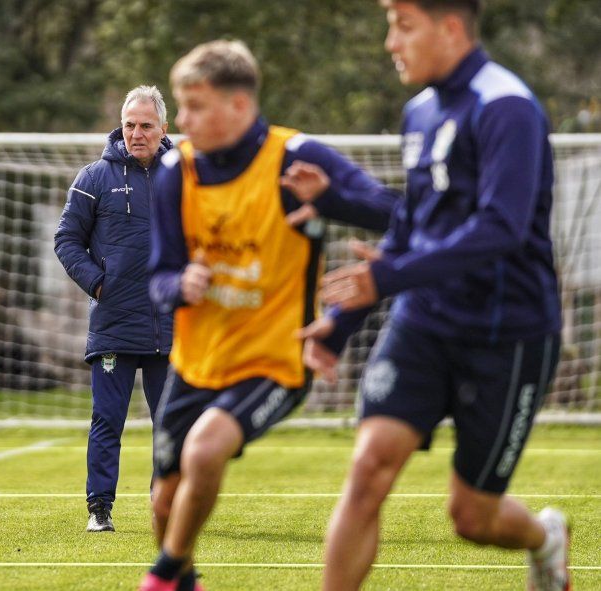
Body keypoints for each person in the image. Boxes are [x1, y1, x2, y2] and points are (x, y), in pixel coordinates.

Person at [294, 2, 569, 590]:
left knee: (471, 517)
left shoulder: (507, 107)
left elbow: (502, 228)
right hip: (423, 325)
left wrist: (388, 279)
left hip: (508, 334)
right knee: (367, 469)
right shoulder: (418, 111)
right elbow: (407, 229)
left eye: (404, 25)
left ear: (450, 28)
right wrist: (341, 322)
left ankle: (545, 541)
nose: (391, 42)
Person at [138, 40, 400, 591]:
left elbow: (395, 214)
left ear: (238, 105)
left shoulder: (296, 158)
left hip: (278, 359)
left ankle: (159, 579)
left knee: (206, 448)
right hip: (197, 361)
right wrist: (179, 283)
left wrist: (333, 202)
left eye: (195, 106)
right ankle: (180, 577)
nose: (182, 120)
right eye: (181, 107)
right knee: (164, 502)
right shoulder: (173, 171)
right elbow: (158, 278)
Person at [54, 85, 173, 532]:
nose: (136, 133)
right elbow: (66, 241)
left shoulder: (186, 177)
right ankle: (99, 509)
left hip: (170, 324)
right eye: (129, 125)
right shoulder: (93, 178)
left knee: (172, 423)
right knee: (107, 421)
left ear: (165, 127)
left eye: (145, 125)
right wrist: (98, 284)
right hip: (114, 322)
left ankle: (168, 504)